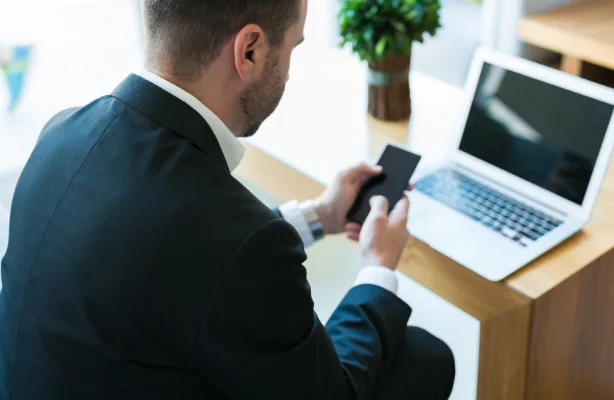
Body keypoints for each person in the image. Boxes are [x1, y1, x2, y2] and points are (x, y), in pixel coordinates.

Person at [0, 0, 455, 399]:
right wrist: (377, 268)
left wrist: (319, 216)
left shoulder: (60, 134)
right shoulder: (238, 240)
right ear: (250, 50)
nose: (291, 70)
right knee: (425, 356)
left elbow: (186, 259)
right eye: (293, 47)